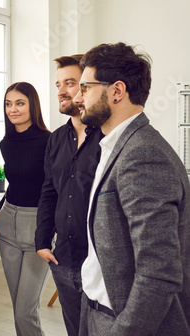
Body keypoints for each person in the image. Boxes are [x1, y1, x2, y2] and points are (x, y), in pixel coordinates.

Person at [73, 42, 190, 335]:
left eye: (85, 87)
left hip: (120, 321)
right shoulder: (116, 145)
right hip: (95, 309)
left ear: (116, 91)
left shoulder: (143, 155)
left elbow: (159, 274)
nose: (77, 97)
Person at [34, 54, 103, 336]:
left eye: (71, 83)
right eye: (58, 84)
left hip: (100, 261)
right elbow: (49, 191)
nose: (62, 91)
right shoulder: (56, 138)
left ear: (86, 87)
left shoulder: (107, 137)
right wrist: (41, 240)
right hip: (63, 259)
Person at [0, 82, 51, 336]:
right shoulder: (7, 142)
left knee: (26, 310)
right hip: (7, 223)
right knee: (18, 306)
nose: (12, 109)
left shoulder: (49, 141)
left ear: (32, 105)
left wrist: (51, 228)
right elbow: (15, 182)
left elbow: (54, 188)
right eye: (8, 104)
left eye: (19, 103)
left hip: (37, 225)